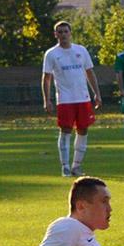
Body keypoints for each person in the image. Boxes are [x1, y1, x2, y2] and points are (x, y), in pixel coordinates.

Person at [41, 21, 102, 177]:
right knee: (66, 130)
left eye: (65, 31)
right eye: (59, 32)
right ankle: (65, 166)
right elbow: (46, 78)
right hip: (65, 99)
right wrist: (46, 99)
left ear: (70, 32)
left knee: (83, 130)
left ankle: (76, 166)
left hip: (83, 98)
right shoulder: (52, 54)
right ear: (55, 35)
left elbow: (90, 72)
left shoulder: (81, 50)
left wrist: (97, 93)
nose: (63, 35)